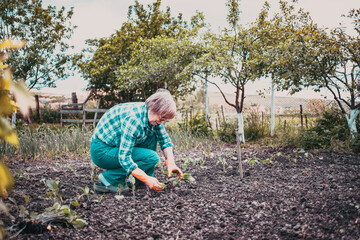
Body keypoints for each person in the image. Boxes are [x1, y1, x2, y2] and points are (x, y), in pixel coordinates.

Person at [90, 89, 183, 193]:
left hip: (115, 147)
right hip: (102, 151)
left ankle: (140, 179)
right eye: (161, 118)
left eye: (164, 120)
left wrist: (171, 163)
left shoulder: (152, 116)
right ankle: (110, 178)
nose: (162, 122)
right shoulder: (133, 119)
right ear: (152, 107)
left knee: (152, 136)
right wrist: (146, 179)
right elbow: (124, 157)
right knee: (151, 157)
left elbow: (164, 140)